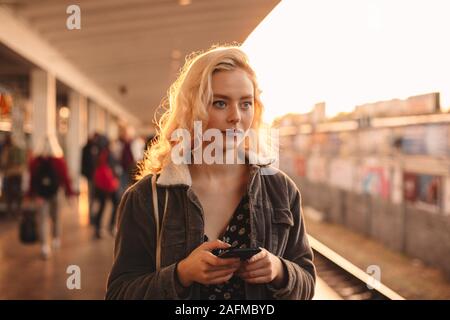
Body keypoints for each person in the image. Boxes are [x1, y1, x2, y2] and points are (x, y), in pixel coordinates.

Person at [106, 46, 316, 300]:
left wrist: (280, 270)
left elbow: (307, 283)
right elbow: (119, 294)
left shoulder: (280, 189)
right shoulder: (145, 197)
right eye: (220, 103)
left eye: (246, 103)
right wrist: (181, 274)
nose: (236, 117)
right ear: (192, 109)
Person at [28, 135, 74, 259]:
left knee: (42, 219)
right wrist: (69, 194)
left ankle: (44, 246)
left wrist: (31, 194)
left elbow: (32, 179)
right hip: (56, 192)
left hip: (41, 195)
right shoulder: (59, 160)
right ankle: (56, 239)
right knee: (56, 217)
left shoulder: (35, 161)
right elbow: (66, 178)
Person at [93, 144, 120, 238]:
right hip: (106, 185)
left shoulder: (101, 155)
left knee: (105, 206)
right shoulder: (106, 155)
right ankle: (105, 227)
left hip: (104, 184)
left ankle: (101, 228)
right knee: (108, 205)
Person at [0, 134, 27, 220]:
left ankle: (11, 212)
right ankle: (17, 212)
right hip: (18, 173)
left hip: (10, 174)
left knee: (9, 193)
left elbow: (3, 162)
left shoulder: (7, 149)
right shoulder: (17, 149)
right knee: (16, 193)